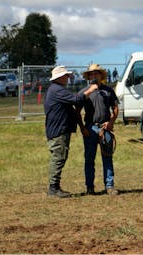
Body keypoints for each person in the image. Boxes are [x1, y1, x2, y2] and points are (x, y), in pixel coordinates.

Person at [44, 66, 98, 198]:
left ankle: (54, 186)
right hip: (58, 130)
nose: (68, 78)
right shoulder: (57, 90)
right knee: (58, 157)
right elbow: (76, 99)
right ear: (60, 77)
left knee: (59, 157)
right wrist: (90, 90)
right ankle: (53, 188)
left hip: (58, 129)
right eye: (66, 76)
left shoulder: (55, 89)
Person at [78, 64, 119, 196]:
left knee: (107, 158)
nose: (94, 76)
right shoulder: (84, 92)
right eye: (91, 74)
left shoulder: (108, 91)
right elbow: (76, 111)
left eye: (96, 73)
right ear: (89, 76)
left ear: (101, 75)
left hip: (105, 129)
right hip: (90, 128)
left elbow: (115, 108)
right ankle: (90, 187)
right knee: (89, 159)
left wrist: (111, 122)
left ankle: (109, 186)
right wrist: (82, 128)